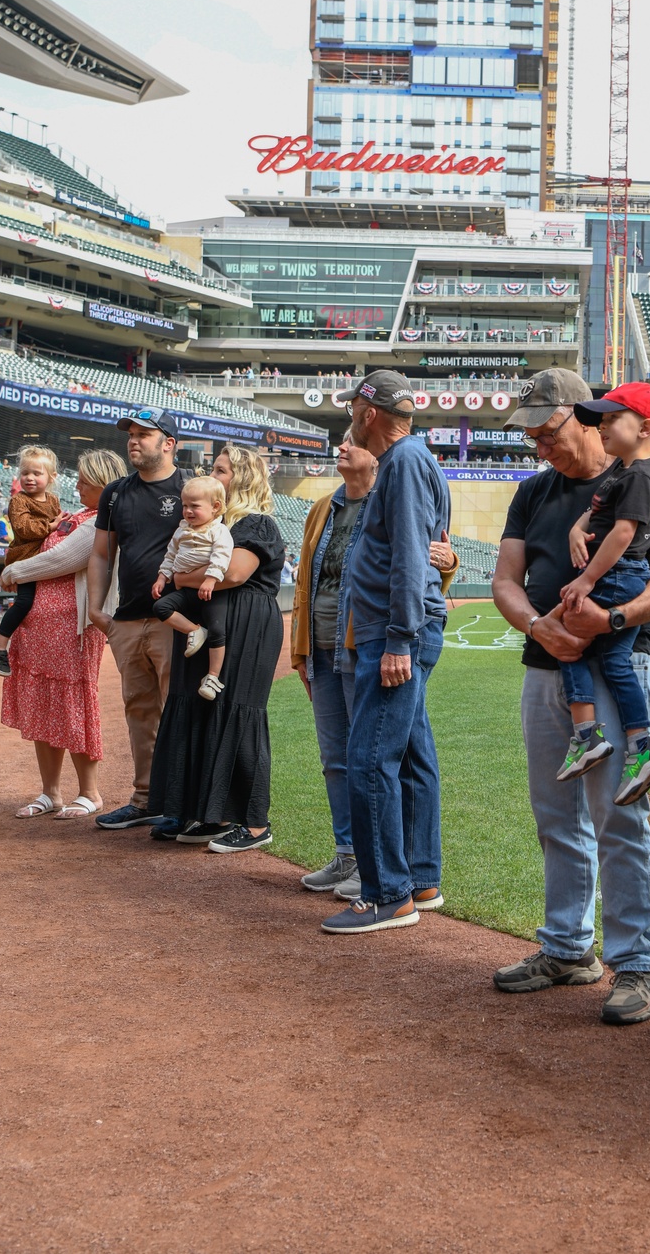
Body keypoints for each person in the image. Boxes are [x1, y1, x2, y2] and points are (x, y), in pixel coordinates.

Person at [490, 369, 650, 1025]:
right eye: (530, 436)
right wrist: (538, 624)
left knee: (618, 817)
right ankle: (568, 948)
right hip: (544, 662)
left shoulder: (640, 480)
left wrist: (609, 619)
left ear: (583, 417)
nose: (538, 445)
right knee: (555, 815)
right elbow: (504, 580)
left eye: (546, 431)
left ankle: (637, 963)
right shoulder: (532, 492)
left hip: (615, 662)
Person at [289, 437, 458, 892]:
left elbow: (417, 563)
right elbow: (307, 580)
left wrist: (448, 565)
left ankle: (382, 867)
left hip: (366, 640)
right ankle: (349, 855)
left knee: (380, 755)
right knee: (337, 757)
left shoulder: (391, 499)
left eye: (353, 442)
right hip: (323, 641)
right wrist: (300, 648)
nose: (343, 447)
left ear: (376, 459)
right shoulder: (324, 507)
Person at [320, 370, 453, 935]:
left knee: (370, 760)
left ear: (368, 412)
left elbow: (408, 555)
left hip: (393, 632)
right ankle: (420, 879)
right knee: (412, 755)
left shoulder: (400, 462)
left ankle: (386, 895)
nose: (351, 416)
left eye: (354, 407)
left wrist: (399, 638)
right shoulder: (415, 458)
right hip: (399, 627)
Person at [147, 445, 296, 851]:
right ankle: (210, 813)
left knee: (237, 710)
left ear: (242, 479)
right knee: (198, 708)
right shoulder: (207, 527)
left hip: (246, 623)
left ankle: (254, 825)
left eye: (221, 470)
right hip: (208, 622)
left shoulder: (258, 524)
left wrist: (179, 579)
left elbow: (233, 574)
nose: (212, 474)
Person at [549, 381, 650, 802]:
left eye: (610, 420)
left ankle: (588, 736)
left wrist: (586, 580)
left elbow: (623, 532)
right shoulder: (624, 472)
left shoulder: (641, 475)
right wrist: (575, 528)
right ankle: (638, 746)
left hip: (618, 573)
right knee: (613, 659)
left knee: (568, 639)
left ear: (644, 428)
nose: (600, 428)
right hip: (617, 573)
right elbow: (596, 511)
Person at [0, 448, 126, 819]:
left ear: (104, 485)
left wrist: (14, 572)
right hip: (39, 625)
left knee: (73, 704)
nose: (78, 484)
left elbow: (60, 560)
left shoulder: (101, 521)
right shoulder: (75, 515)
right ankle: (49, 793)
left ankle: (90, 792)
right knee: (43, 705)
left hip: (72, 627)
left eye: (85, 480)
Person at [88, 411, 189, 830]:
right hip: (127, 620)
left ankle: (181, 802)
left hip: (175, 619)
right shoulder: (115, 493)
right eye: (131, 435)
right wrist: (96, 610)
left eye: (144, 435)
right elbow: (100, 554)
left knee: (178, 710)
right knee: (140, 711)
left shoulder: (190, 488)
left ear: (169, 443)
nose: (133, 441)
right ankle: (146, 798)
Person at [149, 475, 234, 699]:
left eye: (194, 506)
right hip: (186, 590)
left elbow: (222, 556)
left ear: (215, 507)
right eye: (185, 505)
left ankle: (212, 677)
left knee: (218, 629)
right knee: (161, 608)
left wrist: (211, 579)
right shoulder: (181, 530)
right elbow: (170, 555)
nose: (187, 511)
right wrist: (161, 577)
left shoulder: (219, 530)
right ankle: (195, 630)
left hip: (213, 590)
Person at [0, 448, 63, 677]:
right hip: (26, 560)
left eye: (36, 473)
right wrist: (50, 527)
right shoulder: (18, 500)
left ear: (51, 477)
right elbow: (23, 528)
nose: (29, 477)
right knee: (25, 602)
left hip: (48, 560)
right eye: (25, 472)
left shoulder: (54, 500)